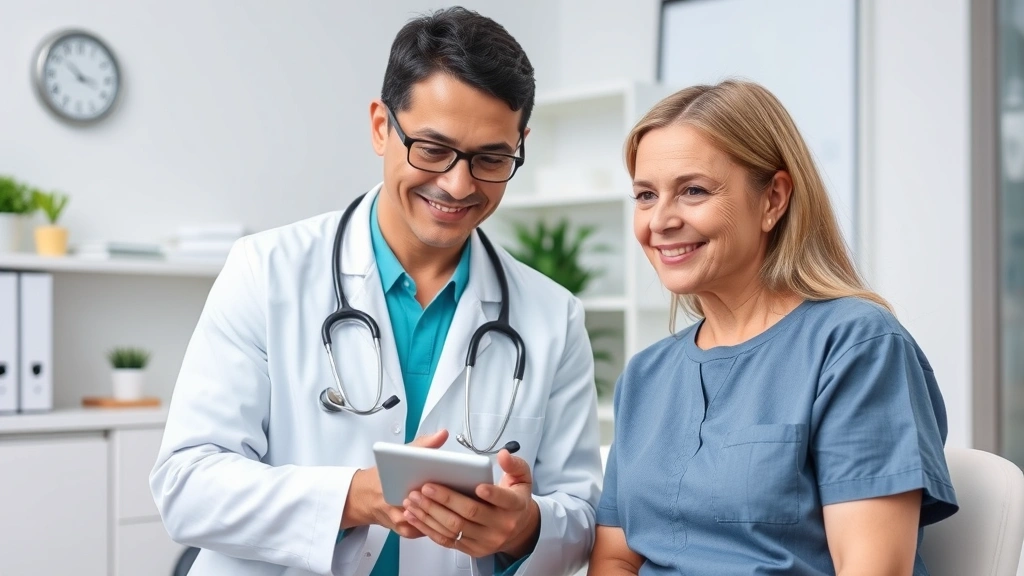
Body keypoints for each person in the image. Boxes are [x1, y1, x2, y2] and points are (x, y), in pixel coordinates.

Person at [150, 7, 602, 576]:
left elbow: (583, 515)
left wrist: (525, 528)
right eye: (433, 149)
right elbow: (186, 484)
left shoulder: (552, 317)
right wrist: (356, 497)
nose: (458, 185)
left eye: (491, 158)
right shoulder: (265, 272)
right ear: (381, 127)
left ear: (520, 145)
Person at [588, 80, 958, 575]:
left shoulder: (856, 346)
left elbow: (872, 569)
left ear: (773, 199)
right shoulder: (646, 375)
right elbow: (615, 558)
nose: (661, 220)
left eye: (693, 190)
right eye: (646, 195)